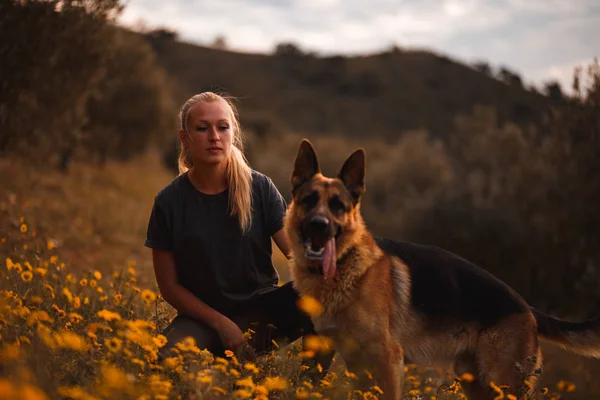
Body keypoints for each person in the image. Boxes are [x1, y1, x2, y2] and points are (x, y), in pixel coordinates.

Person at [145, 91, 332, 372]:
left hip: (264, 314)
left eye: (223, 127)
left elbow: (296, 256)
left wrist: (326, 258)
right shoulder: (168, 203)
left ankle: (311, 386)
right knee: (162, 364)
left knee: (324, 289)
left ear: (233, 133)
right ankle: (226, 370)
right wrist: (223, 325)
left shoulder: (260, 188)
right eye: (202, 128)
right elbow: (169, 287)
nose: (214, 136)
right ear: (185, 138)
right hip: (204, 321)